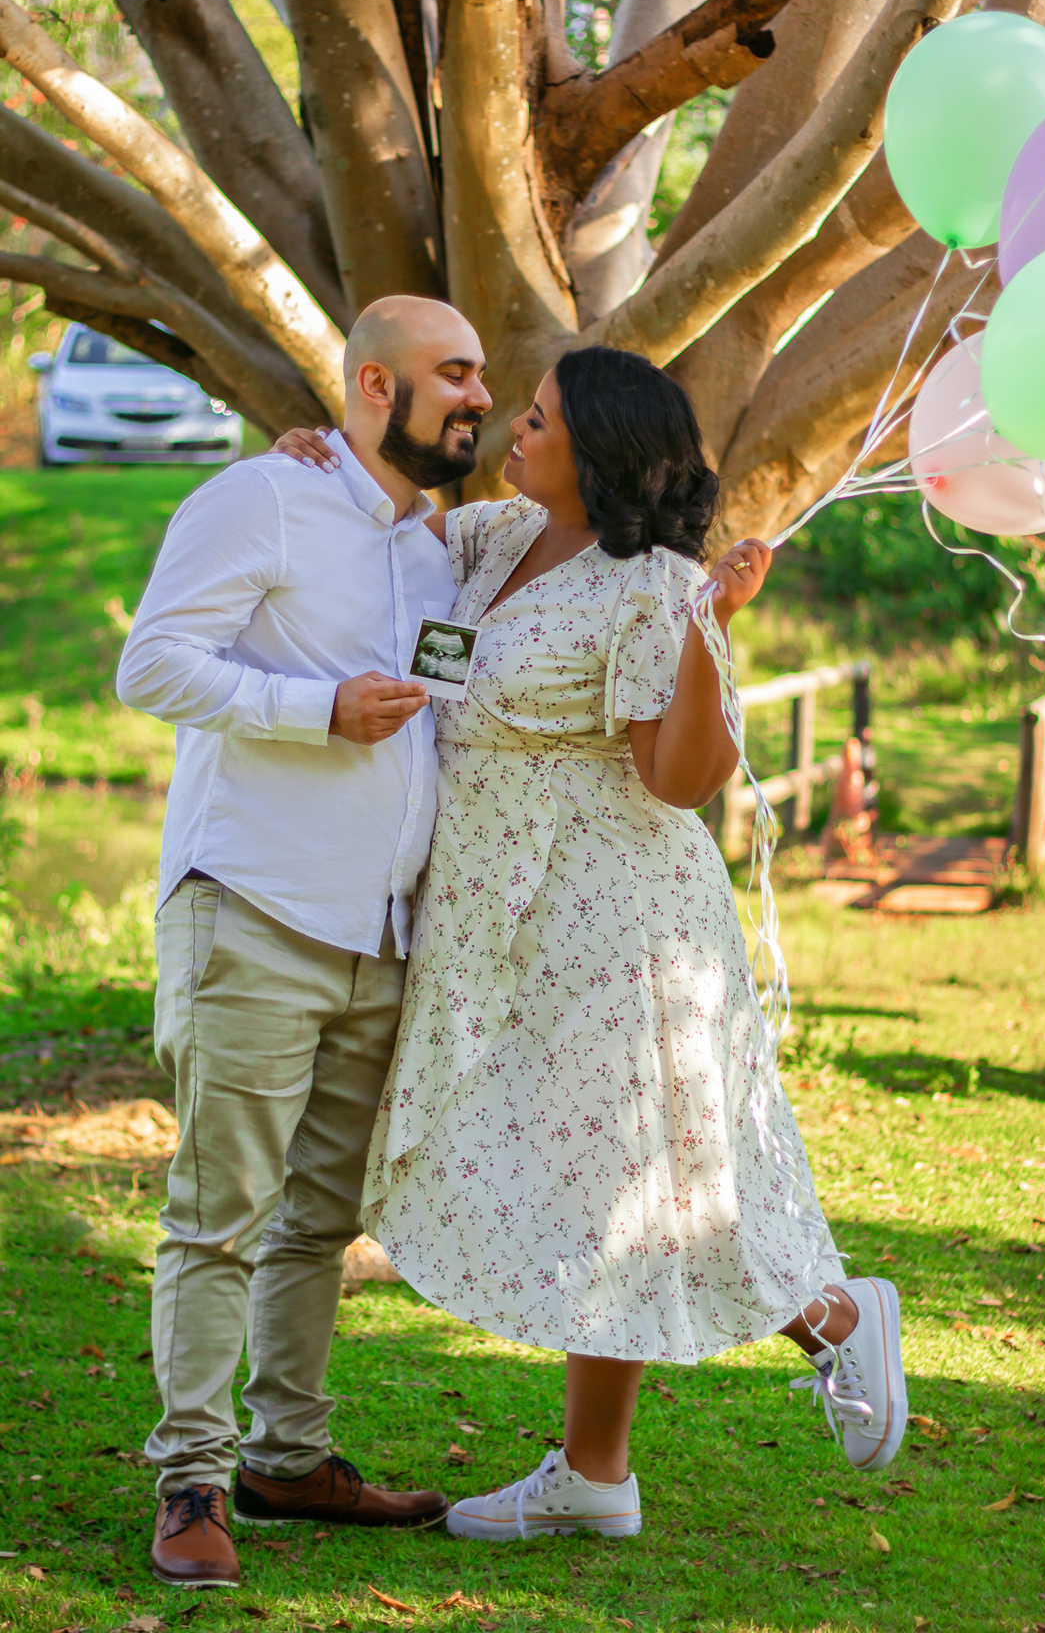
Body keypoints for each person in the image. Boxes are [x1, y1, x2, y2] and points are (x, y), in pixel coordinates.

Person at [272, 344, 906, 1544]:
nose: (515, 428)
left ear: (599, 452)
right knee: (582, 1173)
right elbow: (379, 535)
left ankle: (685, 1412)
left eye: (540, 419)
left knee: (625, 1173)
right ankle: (676, 1419)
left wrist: (708, 631)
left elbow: (680, 780)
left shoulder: (651, 587)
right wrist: (314, 457)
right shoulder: (492, 539)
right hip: (491, 903)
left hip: (610, 911)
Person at [115, 295, 491, 1588]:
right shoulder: (260, 500)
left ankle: (288, 1456)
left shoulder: (440, 548)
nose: (479, 395)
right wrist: (313, 709)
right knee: (219, 1212)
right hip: (254, 909)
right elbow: (152, 666)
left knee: (320, 1222)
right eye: (455, 372)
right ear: (376, 387)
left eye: (482, 375)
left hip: (380, 935)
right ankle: (191, 1481)